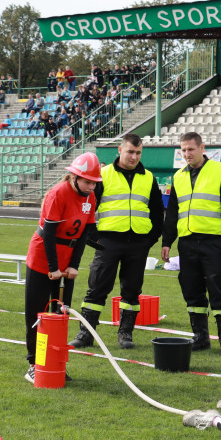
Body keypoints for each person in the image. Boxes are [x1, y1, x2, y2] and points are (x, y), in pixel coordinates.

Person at [69, 134, 164, 350]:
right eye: (130, 151)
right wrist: (94, 238)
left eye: (138, 153)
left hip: (138, 243)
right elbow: (88, 208)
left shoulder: (148, 177)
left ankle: (125, 335)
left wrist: (151, 239)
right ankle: (86, 334)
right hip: (108, 242)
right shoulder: (102, 175)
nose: (134, 156)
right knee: (97, 288)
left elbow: (158, 213)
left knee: (132, 291)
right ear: (120, 150)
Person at [160, 132, 221, 355]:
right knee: (191, 290)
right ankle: (201, 337)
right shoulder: (178, 176)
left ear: (202, 147)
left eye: (191, 149)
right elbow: (172, 213)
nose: (187, 154)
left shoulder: (220, 170)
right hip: (186, 242)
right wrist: (167, 242)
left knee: (218, 288)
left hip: (212, 241)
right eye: (183, 150)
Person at [23, 153, 100, 383]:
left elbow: (85, 232)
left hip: (66, 260)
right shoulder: (58, 193)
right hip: (43, 258)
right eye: (87, 181)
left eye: (94, 182)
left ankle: (55, 363)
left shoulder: (90, 196)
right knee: (37, 313)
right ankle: (34, 363)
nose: (91, 186)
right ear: (74, 177)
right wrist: (53, 268)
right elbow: (48, 234)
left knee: (60, 314)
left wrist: (73, 265)